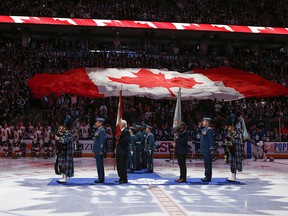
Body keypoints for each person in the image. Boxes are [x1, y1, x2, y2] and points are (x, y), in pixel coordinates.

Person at [199, 117, 215, 182]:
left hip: (207, 150)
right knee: (206, 163)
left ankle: (208, 177)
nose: (203, 123)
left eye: (204, 122)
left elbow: (211, 140)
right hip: (204, 149)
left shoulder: (209, 130)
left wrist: (211, 149)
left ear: (207, 123)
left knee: (208, 163)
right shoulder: (204, 129)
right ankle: (206, 176)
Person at [115, 120, 130, 184]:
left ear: (123, 124)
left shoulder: (126, 131)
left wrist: (119, 139)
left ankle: (124, 178)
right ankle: (121, 177)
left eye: (120, 123)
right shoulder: (120, 131)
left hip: (123, 151)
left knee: (122, 165)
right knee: (119, 165)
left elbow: (126, 140)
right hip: (119, 150)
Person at [92, 117, 106, 183]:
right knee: (98, 164)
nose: (96, 123)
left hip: (99, 150)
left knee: (100, 165)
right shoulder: (99, 130)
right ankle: (100, 177)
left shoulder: (102, 130)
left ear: (101, 123)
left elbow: (102, 142)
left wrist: (101, 150)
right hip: (97, 150)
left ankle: (101, 178)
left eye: (97, 122)